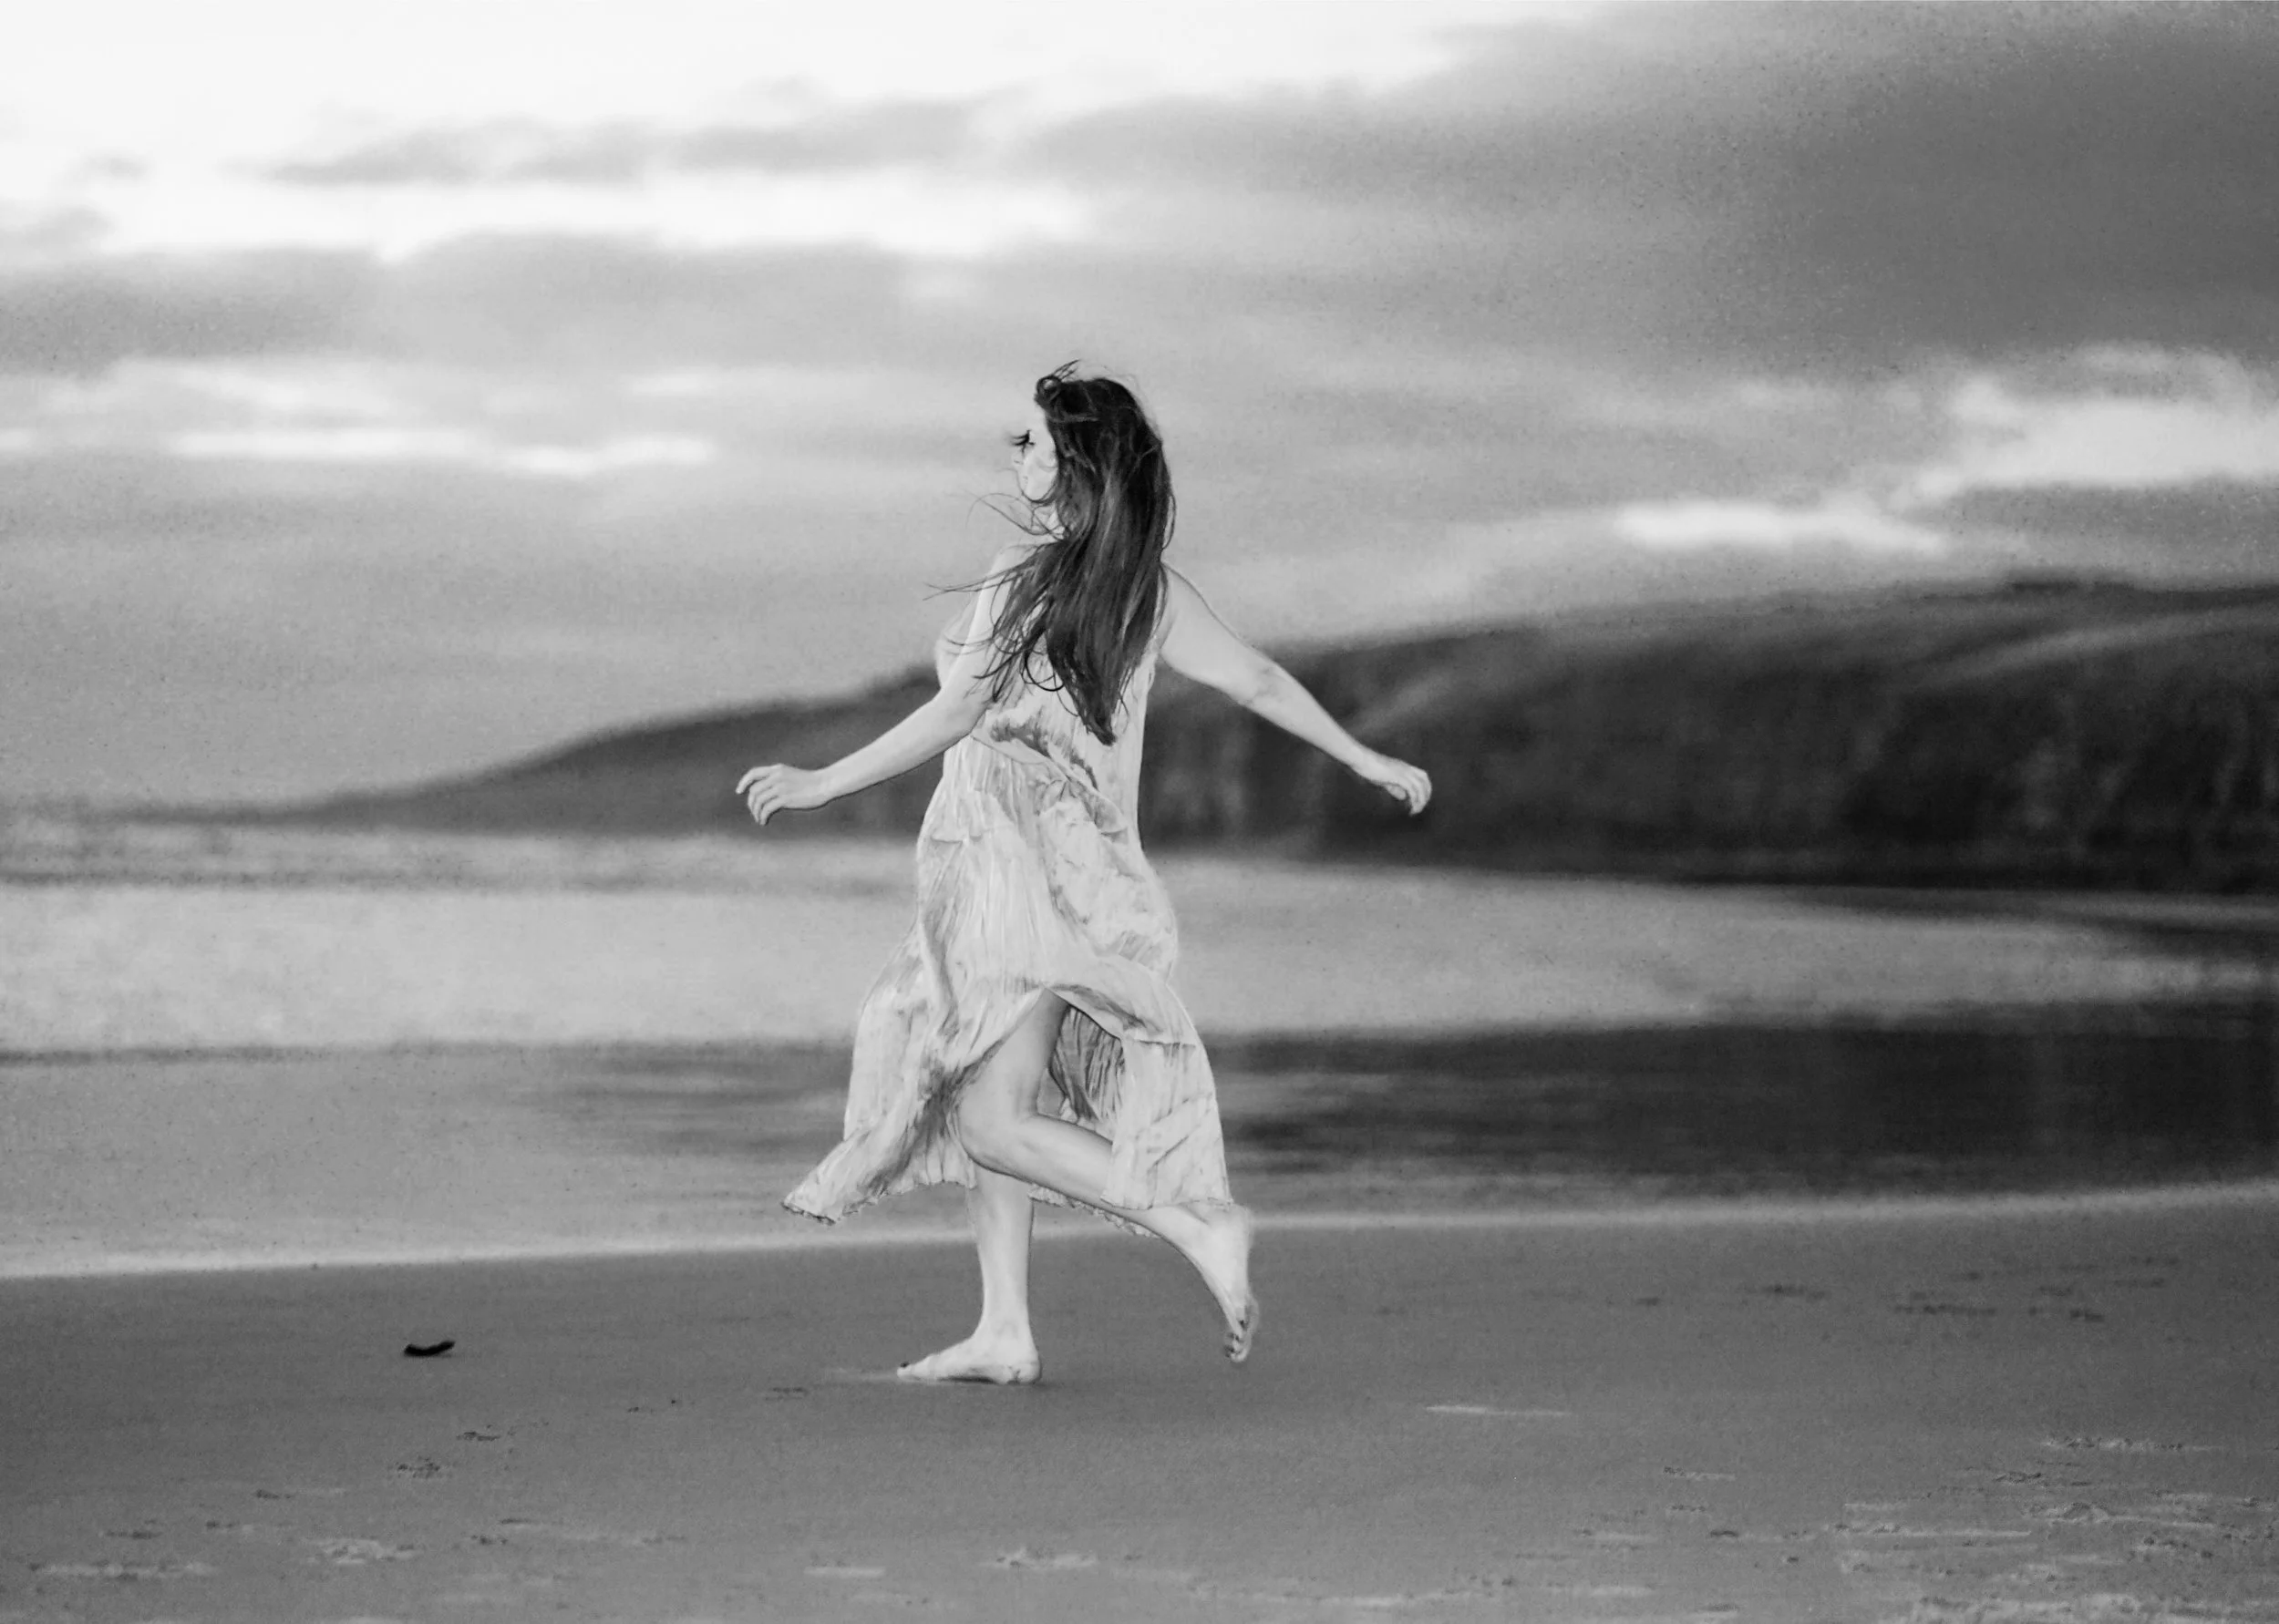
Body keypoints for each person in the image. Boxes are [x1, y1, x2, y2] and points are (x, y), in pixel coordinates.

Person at [737, 365, 1431, 1383]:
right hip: (1085, 870)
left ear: (1072, 457)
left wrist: (824, 782)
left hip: (1011, 868)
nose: (1012, 455)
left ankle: (1196, 1222)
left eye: (1027, 440)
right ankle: (1005, 1329)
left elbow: (954, 714)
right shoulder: (1139, 586)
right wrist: (1362, 755)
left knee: (988, 1115)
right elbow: (1258, 677)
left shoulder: (1023, 573)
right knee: (986, 1081)